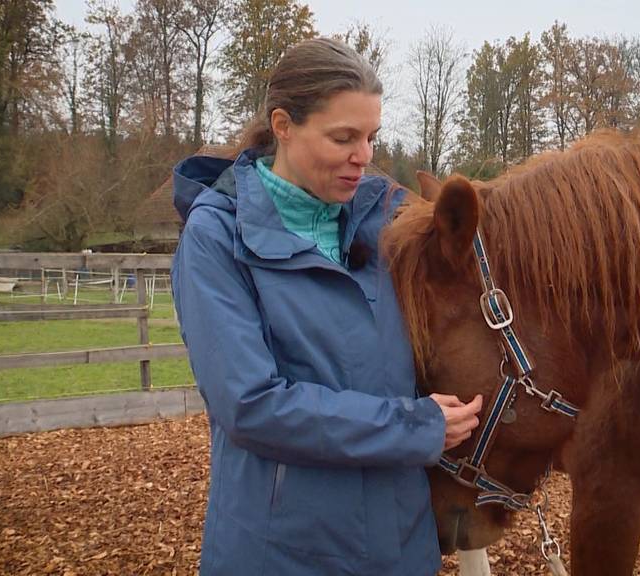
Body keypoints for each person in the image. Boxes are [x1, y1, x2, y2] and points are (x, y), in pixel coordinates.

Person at [170, 37, 484, 576]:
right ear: (284, 126)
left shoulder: (388, 224)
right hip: (284, 552)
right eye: (343, 137)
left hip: (401, 547)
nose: (363, 157)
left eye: (370, 137)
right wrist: (415, 426)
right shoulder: (217, 239)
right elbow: (251, 405)